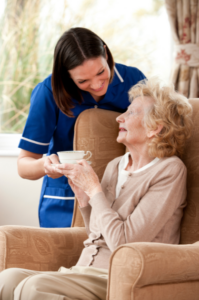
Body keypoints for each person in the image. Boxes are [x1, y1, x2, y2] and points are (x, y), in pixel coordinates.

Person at [0, 78, 192, 300]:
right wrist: (84, 199)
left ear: (154, 128)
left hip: (120, 278)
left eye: (131, 113)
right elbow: (98, 233)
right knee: (7, 278)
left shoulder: (169, 171)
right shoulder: (116, 165)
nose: (120, 117)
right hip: (84, 270)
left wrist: (94, 190)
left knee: (35, 287)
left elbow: (123, 243)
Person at [17, 27, 146, 228]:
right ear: (66, 76)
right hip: (66, 200)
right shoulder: (48, 93)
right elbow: (24, 166)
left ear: (105, 52)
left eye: (101, 72)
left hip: (121, 195)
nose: (96, 85)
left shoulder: (133, 81)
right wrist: (46, 165)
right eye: (83, 81)